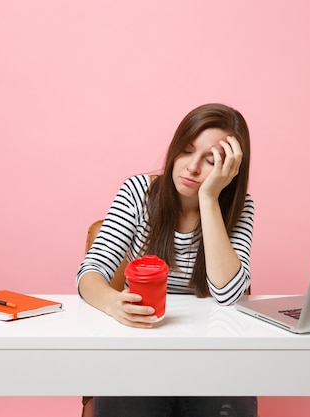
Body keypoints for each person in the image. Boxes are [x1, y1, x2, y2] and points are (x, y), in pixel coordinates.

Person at [76, 103, 256, 417]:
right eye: (186, 151)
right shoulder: (138, 193)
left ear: (230, 169)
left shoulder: (240, 208)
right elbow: (90, 272)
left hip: (211, 359)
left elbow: (228, 294)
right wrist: (112, 303)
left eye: (211, 160)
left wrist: (210, 199)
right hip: (139, 352)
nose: (192, 167)